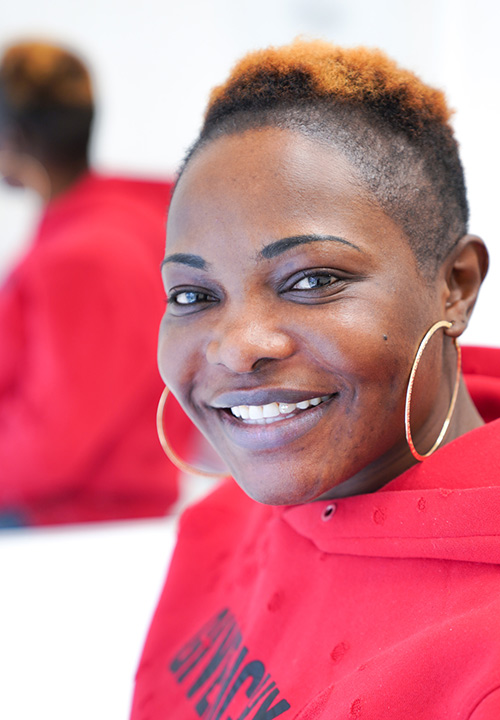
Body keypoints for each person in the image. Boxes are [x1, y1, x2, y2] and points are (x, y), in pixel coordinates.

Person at [131, 40, 500, 719]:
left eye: (312, 280)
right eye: (192, 295)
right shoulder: (253, 498)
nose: (238, 348)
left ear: (455, 286)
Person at [0, 40, 193, 526]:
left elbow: (54, 442)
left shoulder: (84, 256)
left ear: (15, 136)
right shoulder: (117, 223)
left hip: (71, 519)